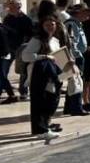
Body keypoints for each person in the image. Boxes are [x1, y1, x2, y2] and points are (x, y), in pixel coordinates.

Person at [21, 13, 64, 142]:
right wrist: (44, 56)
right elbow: (25, 56)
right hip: (39, 74)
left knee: (51, 101)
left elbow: (58, 57)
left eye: (52, 24)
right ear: (42, 26)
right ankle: (40, 130)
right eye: (47, 25)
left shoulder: (55, 40)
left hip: (52, 74)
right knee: (39, 102)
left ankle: (45, 125)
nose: (50, 27)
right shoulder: (37, 40)